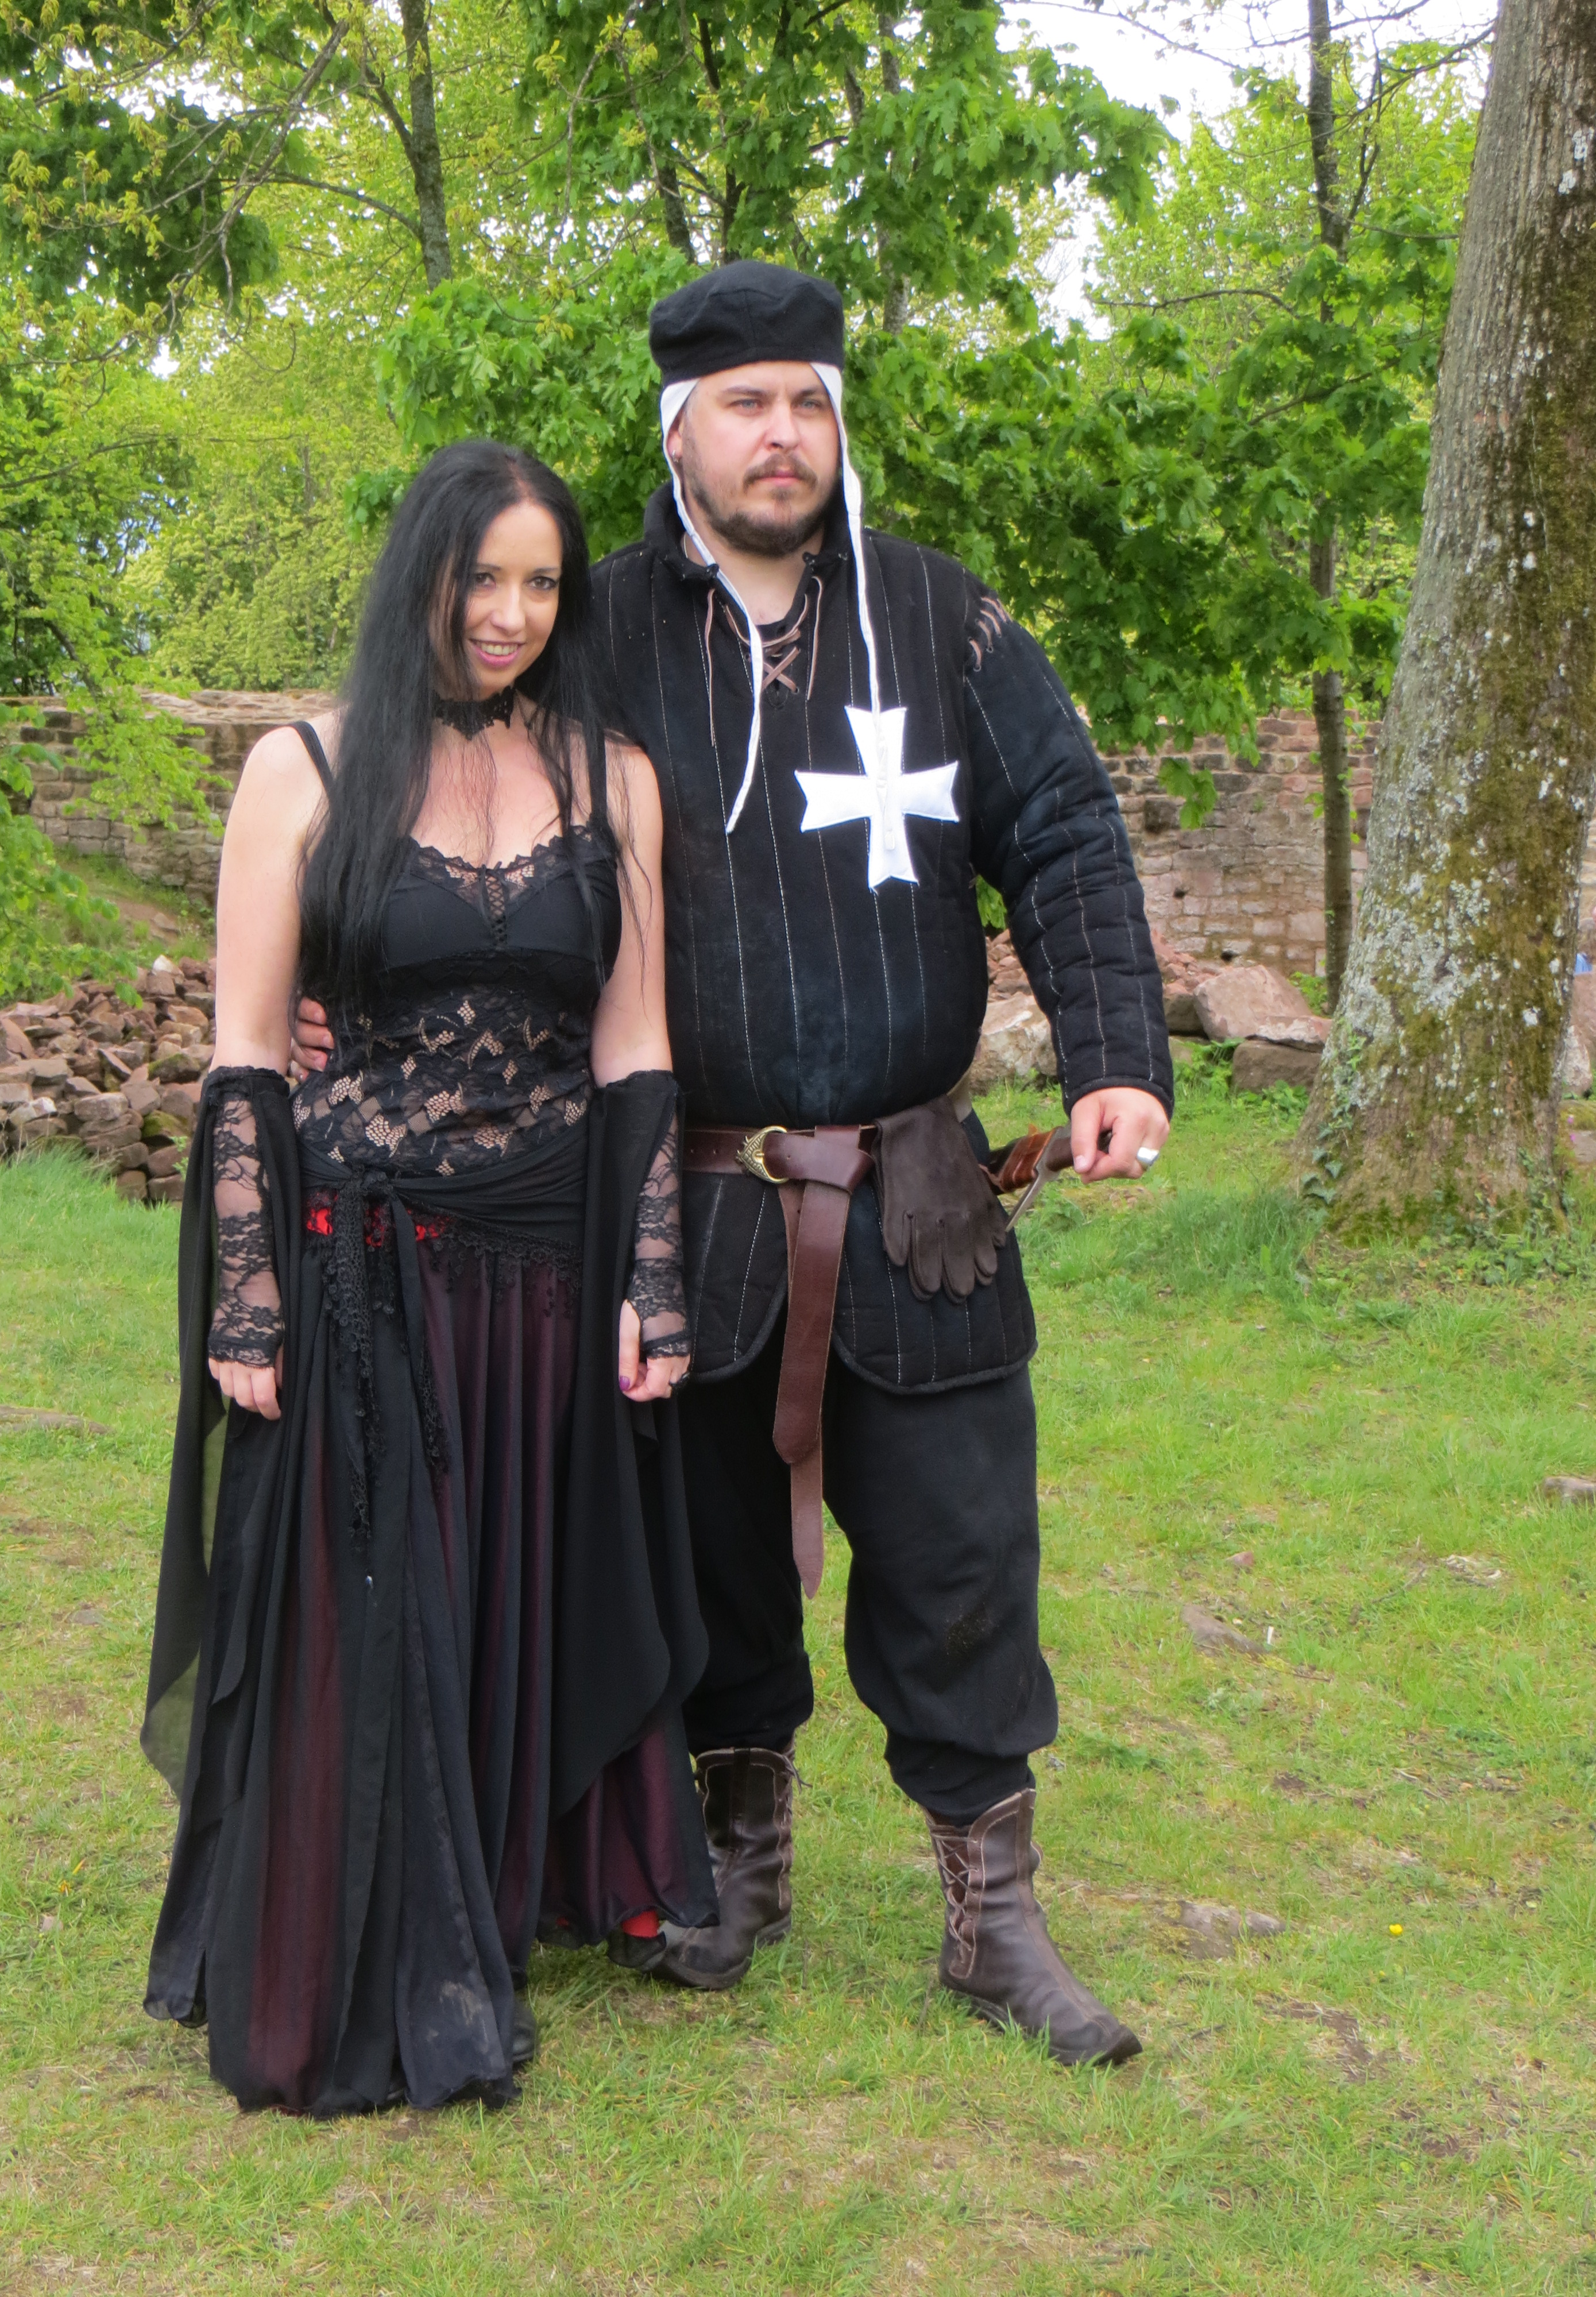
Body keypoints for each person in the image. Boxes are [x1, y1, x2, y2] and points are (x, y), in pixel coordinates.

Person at [297, 264, 1173, 2067]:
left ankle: (994, 1921)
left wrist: (1115, 1059)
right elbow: (443, 794)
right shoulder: (598, 627)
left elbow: (1068, 827)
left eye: (809, 402)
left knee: (962, 1556)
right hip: (684, 1196)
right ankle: (732, 1865)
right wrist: (339, 981)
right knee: (703, 1561)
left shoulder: (940, 618)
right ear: (678, 429)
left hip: (921, 1196)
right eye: (746, 404)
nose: (784, 435)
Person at [140, 439, 716, 2117]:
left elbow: (636, 1049)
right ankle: (379, 1930)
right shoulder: (302, 770)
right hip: (360, 1261)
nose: (511, 614)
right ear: (423, 576)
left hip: (548, 1264)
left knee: (527, 1572)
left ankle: (544, 1875)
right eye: (483, 578)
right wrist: (247, 1296)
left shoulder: (615, 780)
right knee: (380, 1597)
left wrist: (654, 1278)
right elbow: (248, 1056)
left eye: (543, 583)